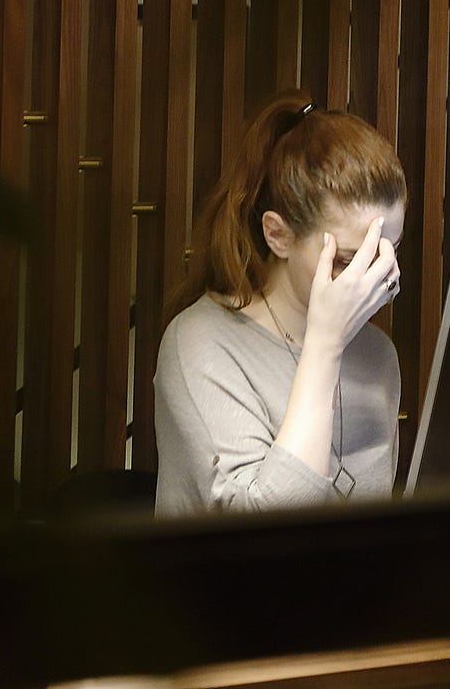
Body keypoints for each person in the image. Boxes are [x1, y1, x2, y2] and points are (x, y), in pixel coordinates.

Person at [153, 91, 406, 516]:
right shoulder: (198, 344)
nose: (374, 278)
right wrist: (325, 346)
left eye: (387, 253)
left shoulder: (377, 354)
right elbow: (266, 539)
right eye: (348, 260)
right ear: (279, 236)